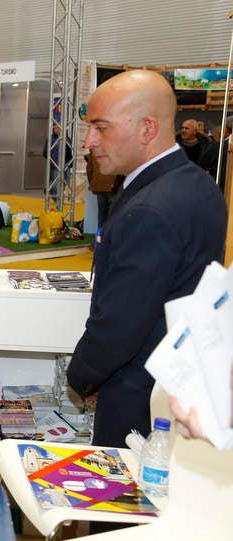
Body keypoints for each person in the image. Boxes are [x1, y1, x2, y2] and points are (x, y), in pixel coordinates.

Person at [66, 70, 227, 450]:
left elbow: (122, 324)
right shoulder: (195, 183)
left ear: (147, 129)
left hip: (136, 397)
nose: (89, 141)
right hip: (174, 383)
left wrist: (81, 378)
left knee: (120, 505)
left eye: (100, 128)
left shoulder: (151, 209)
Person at [84, 149, 122, 228]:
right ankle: (109, 238)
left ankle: (99, 238)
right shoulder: (116, 148)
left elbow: (89, 169)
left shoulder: (94, 150)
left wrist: (93, 184)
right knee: (112, 215)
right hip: (112, 186)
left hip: (99, 186)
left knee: (102, 215)